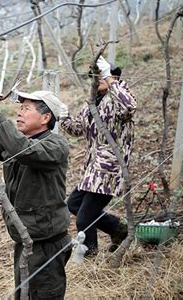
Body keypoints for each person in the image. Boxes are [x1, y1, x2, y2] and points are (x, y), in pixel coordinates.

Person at [0, 89, 71, 299]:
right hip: (25, 239)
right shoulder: (13, 142)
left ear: (46, 118)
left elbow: (25, 151)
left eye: (26, 109)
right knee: (24, 295)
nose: (19, 113)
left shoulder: (56, 146)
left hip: (47, 243)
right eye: (20, 108)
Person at [60, 56, 137, 256]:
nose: (98, 78)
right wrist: (63, 115)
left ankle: (91, 258)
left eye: (101, 74)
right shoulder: (93, 102)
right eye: (95, 76)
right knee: (74, 204)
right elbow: (78, 129)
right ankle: (116, 228)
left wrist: (110, 78)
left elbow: (129, 106)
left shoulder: (119, 95)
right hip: (92, 168)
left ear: (114, 77)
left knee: (84, 219)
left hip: (109, 167)